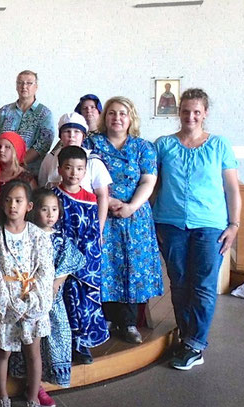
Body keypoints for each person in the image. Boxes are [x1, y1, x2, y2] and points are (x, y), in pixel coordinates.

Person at [153, 88, 241, 370]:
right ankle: (187, 336)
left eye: (196, 112)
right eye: (185, 111)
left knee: (203, 286)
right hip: (170, 223)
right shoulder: (163, 145)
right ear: (178, 112)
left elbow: (232, 189)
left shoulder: (219, 146)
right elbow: (152, 185)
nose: (190, 116)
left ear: (205, 114)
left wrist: (234, 224)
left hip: (210, 226)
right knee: (179, 284)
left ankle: (195, 344)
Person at [88, 97, 163, 344]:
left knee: (133, 266)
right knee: (105, 265)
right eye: (111, 113)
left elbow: (147, 181)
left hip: (135, 216)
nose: (116, 118)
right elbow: (84, 176)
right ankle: (106, 318)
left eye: (122, 113)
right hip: (102, 212)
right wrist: (107, 201)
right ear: (104, 117)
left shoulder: (143, 147)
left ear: (131, 118)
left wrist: (131, 206)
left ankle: (129, 322)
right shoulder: (92, 144)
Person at [0, 180, 53, 407]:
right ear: (2, 204)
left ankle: (33, 400)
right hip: (6, 304)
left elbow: (45, 272)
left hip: (32, 302)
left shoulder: (38, 236)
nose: (13, 205)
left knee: (33, 353)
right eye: (9, 200)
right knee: (3, 351)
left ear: (29, 206)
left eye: (19, 201)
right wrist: (9, 303)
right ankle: (1, 397)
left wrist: (33, 301)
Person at [8, 188, 84, 407]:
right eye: (44, 209)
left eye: (54, 210)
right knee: (28, 341)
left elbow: (69, 263)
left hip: (52, 299)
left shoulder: (60, 239)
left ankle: (42, 383)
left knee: (54, 338)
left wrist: (54, 286)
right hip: (28, 297)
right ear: (33, 210)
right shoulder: (27, 235)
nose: (50, 214)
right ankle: (32, 386)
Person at [53, 147, 111, 364]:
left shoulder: (90, 199)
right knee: (61, 304)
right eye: (68, 168)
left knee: (84, 304)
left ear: (85, 172)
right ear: (59, 169)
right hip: (58, 262)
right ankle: (61, 346)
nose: (74, 173)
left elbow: (93, 232)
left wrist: (78, 259)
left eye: (79, 169)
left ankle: (81, 344)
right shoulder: (53, 196)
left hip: (83, 263)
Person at [37, 113, 112, 232]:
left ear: (83, 136)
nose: (71, 136)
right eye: (67, 131)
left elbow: (103, 196)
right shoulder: (50, 159)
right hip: (54, 223)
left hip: (84, 221)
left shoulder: (93, 160)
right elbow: (42, 189)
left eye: (76, 132)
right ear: (60, 135)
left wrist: (99, 229)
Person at [0, 71, 55, 175]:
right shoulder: (4, 110)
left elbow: (43, 144)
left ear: (36, 87)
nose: (24, 86)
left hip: (31, 172)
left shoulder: (44, 113)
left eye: (29, 83)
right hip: (3, 170)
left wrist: (18, 163)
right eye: (20, 83)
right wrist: (4, 160)